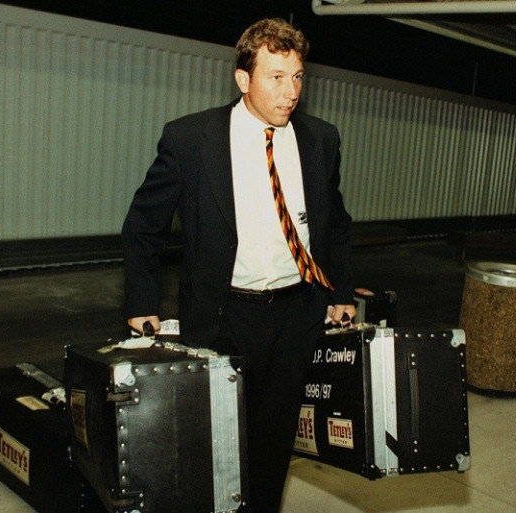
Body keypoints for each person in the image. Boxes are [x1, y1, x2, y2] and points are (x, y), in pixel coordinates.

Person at [122, 18, 357, 513]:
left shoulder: (321, 140)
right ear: (243, 78)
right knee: (215, 446)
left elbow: (335, 224)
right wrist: (141, 301)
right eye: (275, 76)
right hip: (223, 317)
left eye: (297, 77)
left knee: (273, 447)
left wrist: (339, 293)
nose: (290, 91)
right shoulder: (191, 139)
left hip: (296, 315)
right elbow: (143, 226)